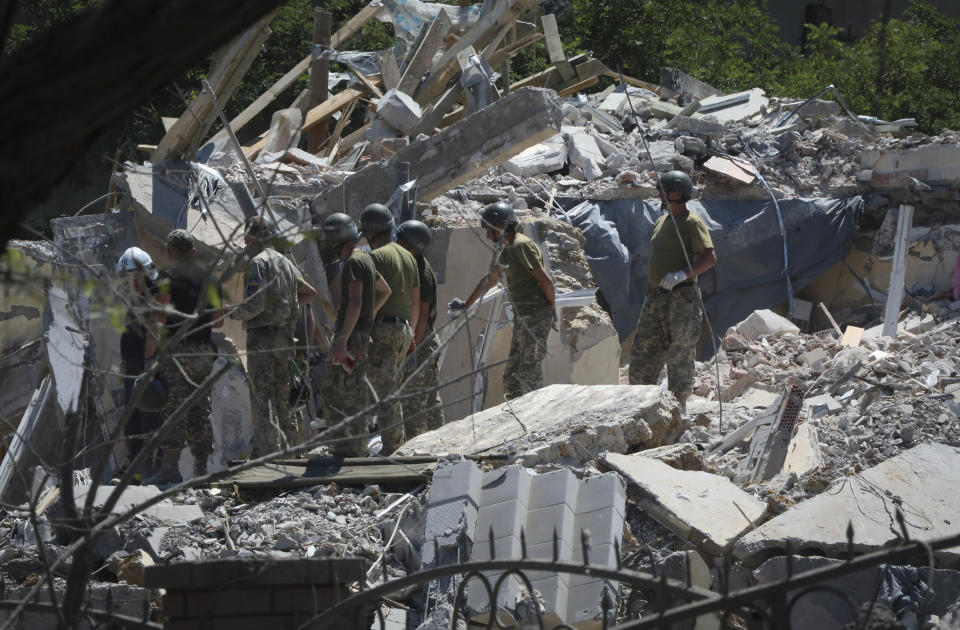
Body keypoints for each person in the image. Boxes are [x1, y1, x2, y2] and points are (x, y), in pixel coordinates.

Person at [628, 170, 717, 412]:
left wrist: (683, 274)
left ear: (676, 193)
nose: (659, 194)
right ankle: (639, 404)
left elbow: (709, 258)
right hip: (657, 298)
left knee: (680, 351)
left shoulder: (691, 223)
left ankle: (679, 408)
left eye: (662, 190)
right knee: (645, 348)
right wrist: (650, 292)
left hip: (682, 299)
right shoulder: (662, 221)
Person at [230, 216, 318, 457]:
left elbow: (255, 304)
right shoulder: (286, 264)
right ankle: (290, 455)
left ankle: (270, 459)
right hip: (284, 341)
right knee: (283, 402)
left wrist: (231, 312)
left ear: (250, 238)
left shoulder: (258, 263)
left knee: (263, 402)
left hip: (263, 341)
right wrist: (288, 310)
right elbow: (309, 293)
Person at [449, 202, 556, 400]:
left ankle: (536, 419)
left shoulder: (519, 246)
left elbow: (546, 281)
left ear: (500, 226)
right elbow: (490, 279)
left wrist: (551, 308)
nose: (488, 236)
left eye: (489, 230)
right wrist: (467, 304)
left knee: (528, 371)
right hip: (524, 316)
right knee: (511, 376)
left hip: (535, 314)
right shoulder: (510, 249)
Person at [143, 230, 221, 485]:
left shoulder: (166, 278)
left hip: (178, 353)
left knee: (174, 407)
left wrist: (148, 357)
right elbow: (218, 321)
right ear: (194, 250)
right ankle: (201, 470)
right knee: (200, 409)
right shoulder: (210, 278)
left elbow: (158, 319)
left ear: (168, 252)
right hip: (204, 352)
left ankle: (170, 469)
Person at [317, 213, 391, 457]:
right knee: (352, 391)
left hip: (351, 338)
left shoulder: (353, 263)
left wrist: (342, 338)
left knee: (338, 392)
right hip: (358, 335)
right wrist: (366, 319)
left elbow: (357, 301)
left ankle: (350, 451)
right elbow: (385, 291)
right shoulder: (366, 259)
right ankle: (351, 449)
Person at [359, 203, 420, 454]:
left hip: (382, 329)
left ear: (370, 233)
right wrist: (412, 334)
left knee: (383, 391)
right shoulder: (408, 256)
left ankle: (392, 446)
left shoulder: (374, 257)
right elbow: (416, 300)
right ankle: (395, 441)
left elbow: (366, 299)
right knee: (390, 387)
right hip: (404, 329)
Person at [116, 247, 162, 477]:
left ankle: (153, 472)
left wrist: (148, 367)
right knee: (132, 423)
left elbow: (155, 334)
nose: (130, 283)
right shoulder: (134, 300)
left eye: (134, 277)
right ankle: (136, 471)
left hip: (148, 370)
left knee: (149, 422)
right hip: (132, 370)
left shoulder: (156, 298)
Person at [396, 220, 444, 438]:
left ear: (412, 247)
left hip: (422, 341)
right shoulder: (415, 265)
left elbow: (422, 313)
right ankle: (436, 443)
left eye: (401, 242)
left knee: (414, 401)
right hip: (427, 340)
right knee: (430, 397)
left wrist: (411, 346)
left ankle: (418, 447)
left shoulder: (420, 272)